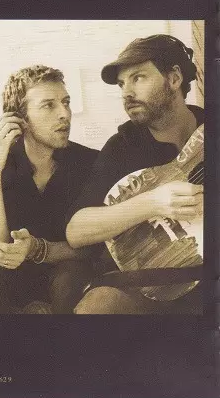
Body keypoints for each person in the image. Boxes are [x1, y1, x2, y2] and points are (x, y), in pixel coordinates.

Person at [66, 34, 204, 314]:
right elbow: (76, 231)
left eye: (138, 78)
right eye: (121, 84)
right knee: (100, 307)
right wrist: (154, 202)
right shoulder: (123, 147)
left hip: (208, 280)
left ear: (174, 78)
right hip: (145, 285)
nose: (126, 93)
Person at [0, 65, 99, 314]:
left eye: (66, 103)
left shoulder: (89, 162)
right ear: (21, 119)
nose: (65, 114)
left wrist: (38, 250)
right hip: (12, 277)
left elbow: (93, 248)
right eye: (49, 105)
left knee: (70, 276)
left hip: (66, 275)